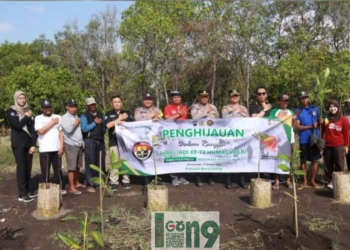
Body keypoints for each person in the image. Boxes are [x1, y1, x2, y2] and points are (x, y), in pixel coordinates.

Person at [6, 91, 38, 202]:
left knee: (28, 168)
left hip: (28, 144)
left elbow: (33, 130)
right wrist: (26, 117)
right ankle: (22, 194)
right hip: (18, 144)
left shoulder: (28, 111)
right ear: (16, 99)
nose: (22, 100)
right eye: (20, 98)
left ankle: (29, 190)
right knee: (21, 168)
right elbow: (17, 125)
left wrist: (34, 144)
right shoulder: (11, 112)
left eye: (24, 98)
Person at [34, 99, 66, 194]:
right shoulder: (38, 118)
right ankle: (46, 189)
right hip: (45, 149)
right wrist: (52, 123)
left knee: (58, 170)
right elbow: (40, 131)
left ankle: (59, 187)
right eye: (45, 107)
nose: (47, 109)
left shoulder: (58, 117)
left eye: (49, 107)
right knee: (45, 171)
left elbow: (61, 132)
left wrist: (61, 146)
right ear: (42, 108)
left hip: (56, 148)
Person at [294, 91, 322, 189]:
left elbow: (319, 121)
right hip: (304, 139)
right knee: (303, 161)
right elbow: (297, 126)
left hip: (314, 138)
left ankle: (312, 180)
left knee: (315, 160)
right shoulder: (298, 111)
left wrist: (320, 122)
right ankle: (305, 180)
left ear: (308, 98)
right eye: (302, 98)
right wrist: (310, 126)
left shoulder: (315, 108)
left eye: (305, 97)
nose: (304, 99)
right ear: (299, 100)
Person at [134, 93, 163, 188]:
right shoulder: (138, 110)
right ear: (142, 101)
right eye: (146, 99)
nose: (148, 101)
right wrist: (151, 116)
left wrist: (147, 118)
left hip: (154, 137)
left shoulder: (157, 110)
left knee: (156, 158)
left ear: (152, 101)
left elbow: (160, 120)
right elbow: (138, 121)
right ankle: (146, 179)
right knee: (145, 157)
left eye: (149, 99)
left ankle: (156, 178)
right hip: (143, 138)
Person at [191, 90, 219, 187]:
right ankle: (198, 177)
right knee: (199, 156)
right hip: (199, 135)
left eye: (206, 96)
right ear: (198, 97)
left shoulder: (213, 107)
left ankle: (210, 177)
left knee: (210, 156)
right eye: (202, 96)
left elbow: (219, 119)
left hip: (211, 135)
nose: (204, 98)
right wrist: (205, 112)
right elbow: (194, 117)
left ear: (208, 97)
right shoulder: (195, 107)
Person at [105, 95, 134, 191]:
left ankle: (126, 180)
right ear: (111, 104)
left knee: (125, 162)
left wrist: (120, 121)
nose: (117, 103)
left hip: (125, 143)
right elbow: (108, 125)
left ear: (121, 103)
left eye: (118, 102)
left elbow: (132, 125)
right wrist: (120, 119)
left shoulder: (127, 113)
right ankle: (114, 182)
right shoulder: (109, 114)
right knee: (114, 163)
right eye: (115, 102)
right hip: (114, 142)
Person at [221, 90, 249, 189]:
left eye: (236, 95)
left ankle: (242, 178)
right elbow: (224, 119)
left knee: (242, 157)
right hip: (230, 136)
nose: (234, 97)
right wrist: (235, 112)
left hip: (242, 136)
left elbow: (249, 122)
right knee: (229, 157)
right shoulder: (225, 108)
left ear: (239, 97)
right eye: (232, 96)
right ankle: (228, 179)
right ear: (229, 97)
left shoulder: (244, 108)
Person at [163, 90, 190, 187]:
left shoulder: (185, 108)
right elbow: (167, 119)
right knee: (174, 156)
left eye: (178, 97)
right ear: (171, 99)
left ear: (181, 98)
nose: (176, 99)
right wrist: (178, 114)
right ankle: (174, 177)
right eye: (174, 97)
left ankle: (182, 176)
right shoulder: (168, 107)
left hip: (184, 135)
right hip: (172, 136)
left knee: (184, 156)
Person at [269, 94, 295, 189]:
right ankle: (277, 181)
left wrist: (295, 120)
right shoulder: (275, 111)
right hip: (278, 139)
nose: (285, 102)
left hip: (289, 138)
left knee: (289, 159)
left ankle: (288, 180)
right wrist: (279, 117)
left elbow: (295, 126)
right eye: (283, 100)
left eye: (287, 100)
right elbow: (269, 122)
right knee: (277, 159)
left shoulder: (291, 112)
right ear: (279, 101)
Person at [321, 100, 349, 189]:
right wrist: (322, 143)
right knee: (328, 164)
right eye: (330, 107)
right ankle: (330, 180)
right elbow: (322, 132)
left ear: (338, 107)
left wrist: (346, 146)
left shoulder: (343, 119)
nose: (332, 109)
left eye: (334, 107)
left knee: (339, 163)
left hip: (339, 145)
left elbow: (346, 133)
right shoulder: (326, 119)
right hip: (328, 145)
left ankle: (338, 181)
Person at [80, 97, 106, 193]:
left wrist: (101, 132)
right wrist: (94, 123)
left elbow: (103, 127)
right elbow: (84, 129)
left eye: (94, 104)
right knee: (90, 161)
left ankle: (99, 181)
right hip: (89, 140)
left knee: (100, 161)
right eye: (90, 105)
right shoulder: (84, 116)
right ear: (87, 106)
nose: (93, 106)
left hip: (100, 140)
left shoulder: (100, 114)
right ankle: (90, 183)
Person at [61, 99, 85, 195]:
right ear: (67, 107)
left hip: (79, 144)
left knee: (78, 165)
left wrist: (82, 142)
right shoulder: (64, 117)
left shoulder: (76, 116)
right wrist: (75, 123)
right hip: (70, 145)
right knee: (71, 167)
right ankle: (71, 187)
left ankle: (77, 182)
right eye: (71, 106)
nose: (74, 108)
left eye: (75, 106)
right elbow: (68, 130)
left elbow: (79, 131)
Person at [344, 97, 350, 169]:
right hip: (348, 139)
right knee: (348, 157)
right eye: (347, 104)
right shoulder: (345, 114)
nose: (348, 105)